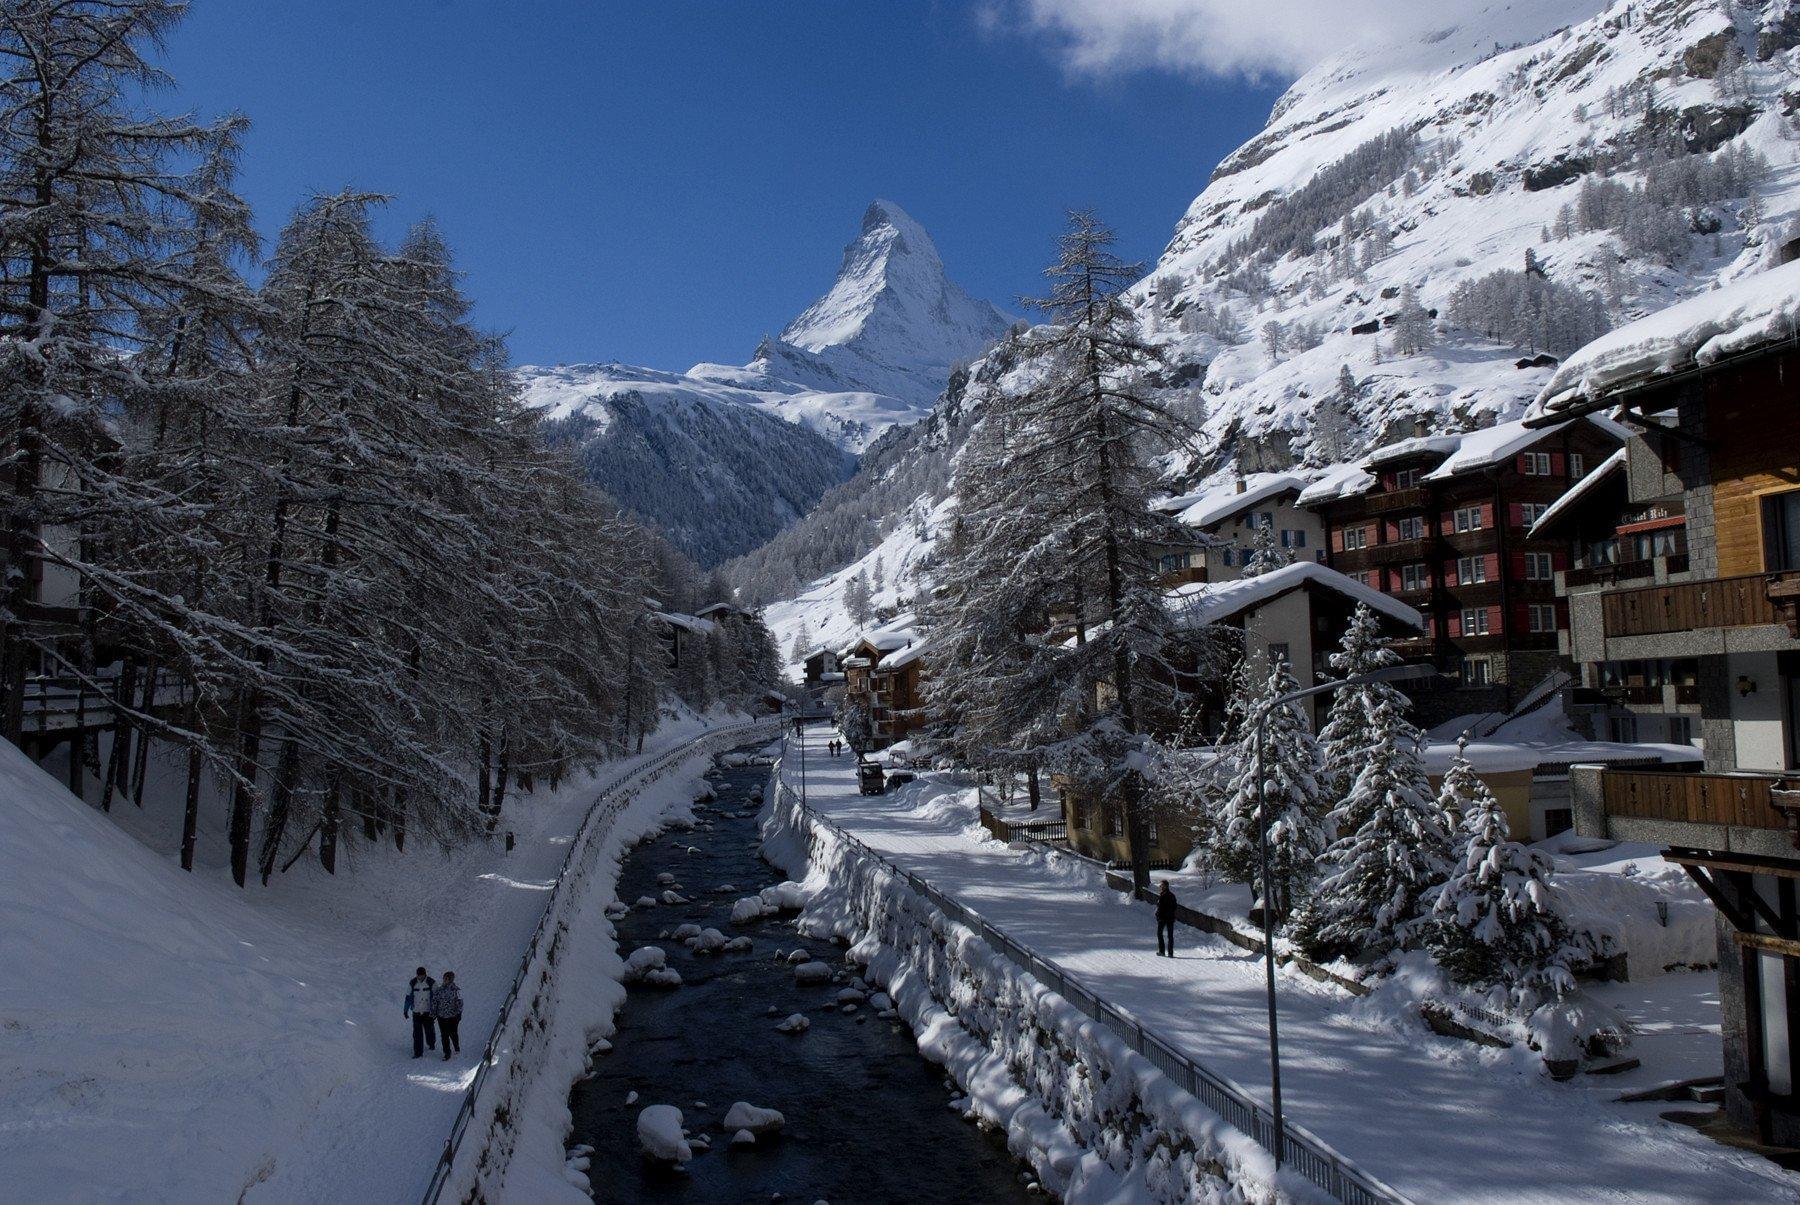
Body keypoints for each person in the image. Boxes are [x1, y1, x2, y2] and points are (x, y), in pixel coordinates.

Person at [405, 967, 437, 1058]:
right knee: (417, 1033)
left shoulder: (431, 982)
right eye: (418, 975)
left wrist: (435, 1011)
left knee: (429, 1030)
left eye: (422, 975)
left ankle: (431, 1043)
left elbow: (437, 997)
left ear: (425, 974)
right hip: (416, 1012)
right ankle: (418, 1052)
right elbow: (408, 997)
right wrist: (405, 1010)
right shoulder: (413, 983)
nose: (420, 977)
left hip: (428, 1012)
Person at [433, 971, 464, 1061]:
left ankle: (456, 1046)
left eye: (447, 978)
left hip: (452, 1016)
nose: (445, 980)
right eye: (444, 978)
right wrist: (433, 1013)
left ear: (451, 979)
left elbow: (460, 1003)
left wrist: (459, 1014)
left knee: (452, 1033)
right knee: (444, 1035)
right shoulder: (439, 990)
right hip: (441, 1016)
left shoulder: (456, 990)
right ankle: (447, 1053)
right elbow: (435, 1002)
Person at [1156, 882, 1178, 958]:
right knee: (1170, 936)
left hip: (1162, 918)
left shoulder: (1162, 895)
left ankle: (1162, 951)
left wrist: (1158, 915)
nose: (1160, 886)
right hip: (1170, 918)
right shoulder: (1172, 895)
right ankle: (1170, 953)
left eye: (1161, 885)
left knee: (1159, 934)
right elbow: (1175, 906)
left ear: (1165, 886)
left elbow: (1160, 907)